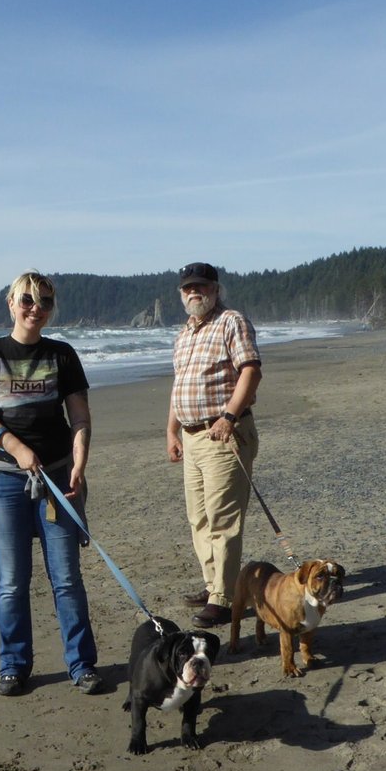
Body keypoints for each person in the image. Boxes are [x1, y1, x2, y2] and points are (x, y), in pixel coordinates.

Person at [0, 271, 104, 697]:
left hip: (58, 477)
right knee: (13, 581)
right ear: (11, 303)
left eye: (44, 301)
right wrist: (17, 449)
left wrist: (79, 463)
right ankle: (14, 666)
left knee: (66, 579)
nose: (35, 308)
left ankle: (81, 664)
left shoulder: (62, 355)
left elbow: (80, 417)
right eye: (26, 299)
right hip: (1, 479)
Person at [165, 261, 262, 629]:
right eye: (189, 288)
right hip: (191, 437)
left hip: (224, 434)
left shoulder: (231, 322)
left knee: (223, 519)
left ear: (216, 290)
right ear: (181, 294)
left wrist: (229, 417)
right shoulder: (184, 334)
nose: (195, 293)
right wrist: (172, 431)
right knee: (199, 519)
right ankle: (214, 586)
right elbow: (180, 387)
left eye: (202, 287)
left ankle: (223, 598)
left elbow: (251, 370)